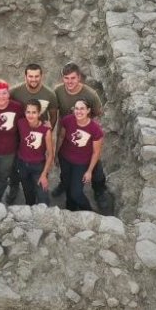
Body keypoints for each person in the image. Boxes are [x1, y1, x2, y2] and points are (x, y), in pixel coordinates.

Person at [53, 62, 109, 204]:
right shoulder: (58, 91)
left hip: (86, 135)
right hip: (65, 131)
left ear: (79, 78)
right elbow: (55, 111)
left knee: (95, 166)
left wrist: (84, 124)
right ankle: (64, 184)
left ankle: (99, 190)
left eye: (73, 78)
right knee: (64, 162)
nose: (69, 81)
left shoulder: (90, 94)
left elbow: (98, 113)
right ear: (62, 78)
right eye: (66, 78)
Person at [55, 101, 104, 212]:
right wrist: (56, 155)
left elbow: (96, 152)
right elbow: (62, 137)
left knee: (76, 193)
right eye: (76, 108)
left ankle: (89, 212)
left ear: (88, 111)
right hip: (65, 159)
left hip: (81, 163)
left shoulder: (95, 129)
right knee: (67, 184)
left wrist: (89, 171)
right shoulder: (67, 120)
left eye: (82, 108)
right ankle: (70, 207)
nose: (79, 111)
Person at [13, 99, 55, 206]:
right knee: (28, 193)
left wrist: (44, 174)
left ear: (39, 113)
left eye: (34, 112)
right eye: (28, 112)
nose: (30, 115)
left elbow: (50, 154)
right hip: (22, 164)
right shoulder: (20, 123)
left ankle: (45, 216)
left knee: (43, 196)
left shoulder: (46, 130)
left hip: (38, 167)